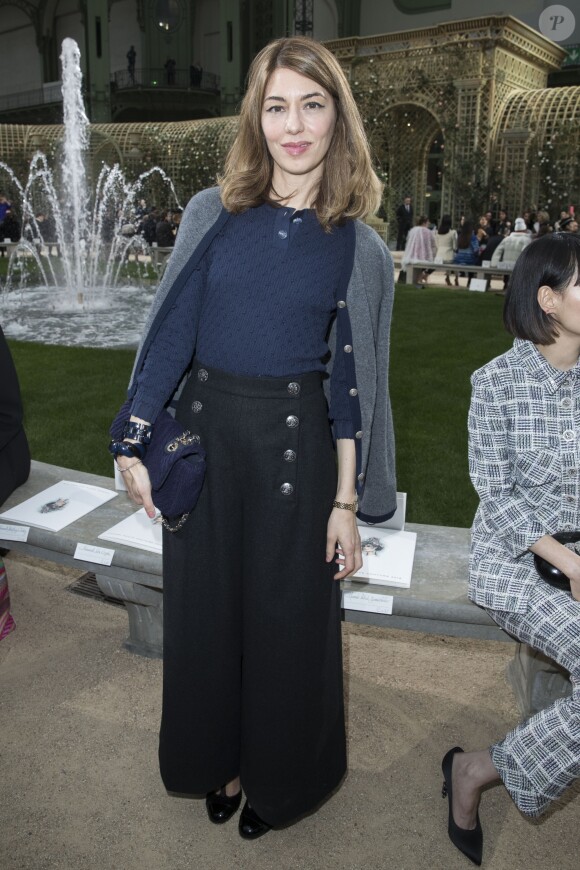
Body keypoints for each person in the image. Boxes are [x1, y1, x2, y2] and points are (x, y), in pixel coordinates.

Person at [110, 35, 396, 839]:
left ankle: (278, 781)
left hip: (298, 459)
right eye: (276, 107)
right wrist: (132, 440)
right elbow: (170, 333)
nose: (293, 126)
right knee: (206, 623)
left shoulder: (360, 247)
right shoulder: (214, 212)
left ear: (338, 117)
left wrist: (347, 503)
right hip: (205, 450)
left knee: (288, 630)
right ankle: (221, 763)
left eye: (311, 105)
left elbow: (352, 389)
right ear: (255, 117)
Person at [442, 233, 580, 866]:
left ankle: (479, 767)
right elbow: (496, 496)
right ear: (548, 300)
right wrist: (568, 561)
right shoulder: (497, 383)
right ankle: (474, 773)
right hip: (517, 560)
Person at [402, 215, 436, 286]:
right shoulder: (428, 232)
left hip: (411, 256)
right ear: (424, 223)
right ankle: (419, 279)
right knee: (433, 262)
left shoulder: (412, 230)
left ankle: (417, 280)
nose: (429, 223)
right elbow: (432, 244)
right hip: (423, 256)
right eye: (428, 221)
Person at [452, 219, 479, 285]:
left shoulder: (460, 236)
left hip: (458, 260)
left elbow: (456, 249)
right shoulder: (473, 237)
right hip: (469, 260)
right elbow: (476, 250)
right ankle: (470, 280)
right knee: (475, 259)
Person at [434, 214, 457, 286]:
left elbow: (437, 245)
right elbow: (455, 247)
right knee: (455, 260)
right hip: (449, 257)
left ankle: (448, 277)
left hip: (438, 257)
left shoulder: (437, 232)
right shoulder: (453, 232)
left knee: (450, 260)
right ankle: (456, 278)